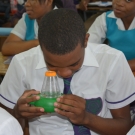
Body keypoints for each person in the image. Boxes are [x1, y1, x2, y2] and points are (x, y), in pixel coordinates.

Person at [0, 9, 135, 135]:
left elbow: (124, 126)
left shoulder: (112, 61)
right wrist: (18, 113)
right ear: (40, 45)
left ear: (86, 40)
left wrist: (86, 118)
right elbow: (6, 125)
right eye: (51, 65)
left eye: (74, 64)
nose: (64, 73)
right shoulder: (22, 64)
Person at [87, 0, 135, 72]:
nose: (118, 3)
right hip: (114, 69)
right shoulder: (105, 19)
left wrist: (116, 68)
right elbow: (87, 47)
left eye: (128, 0)